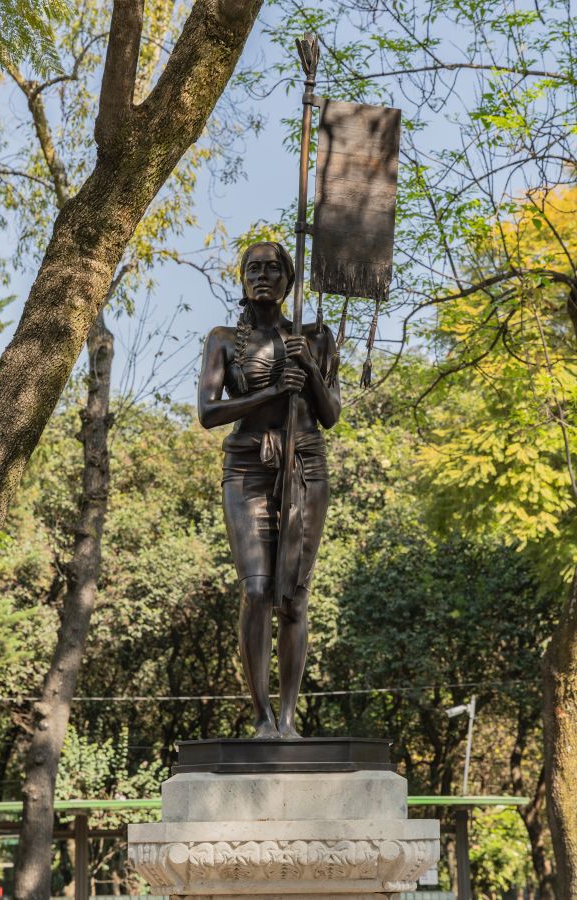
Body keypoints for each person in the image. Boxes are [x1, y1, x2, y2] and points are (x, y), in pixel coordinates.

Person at [198, 241, 341, 738]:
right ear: (243, 280)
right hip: (247, 466)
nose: (263, 276)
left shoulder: (315, 338)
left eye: (273, 268)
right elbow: (208, 413)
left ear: (288, 279)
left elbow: (330, 415)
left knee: (294, 597)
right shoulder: (222, 339)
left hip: (305, 465)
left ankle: (288, 719)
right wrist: (272, 391)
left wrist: (310, 371)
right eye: (253, 269)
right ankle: (261, 718)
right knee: (257, 589)